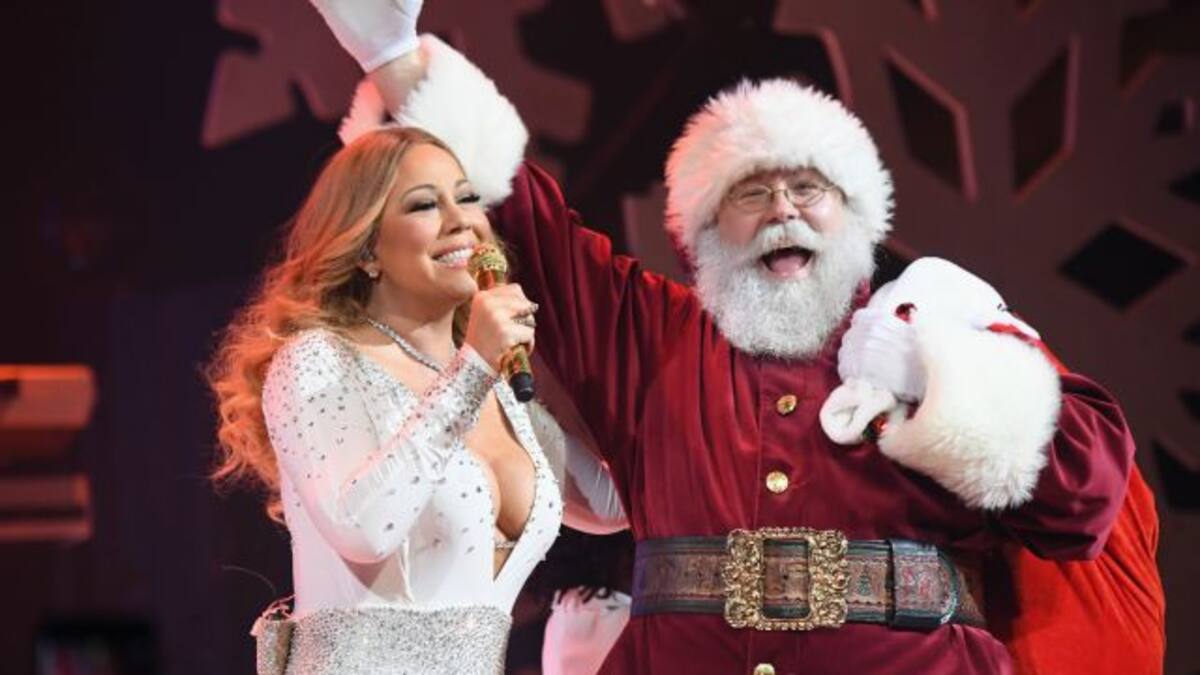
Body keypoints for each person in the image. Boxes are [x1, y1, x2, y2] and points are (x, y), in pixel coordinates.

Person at [309, 2, 1156, 673]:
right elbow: (523, 221)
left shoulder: (930, 329)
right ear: (705, 232)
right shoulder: (652, 336)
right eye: (752, 192)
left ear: (856, 218)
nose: (783, 207)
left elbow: (1088, 499)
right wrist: (395, 57)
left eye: (809, 188)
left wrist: (947, 380)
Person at [207, 122, 624, 674]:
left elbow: (613, 505)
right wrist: (473, 367)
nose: (461, 220)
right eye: (425, 205)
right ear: (366, 249)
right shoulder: (318, 361)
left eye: (467, 198)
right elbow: (363, 528)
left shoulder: (502, 387)